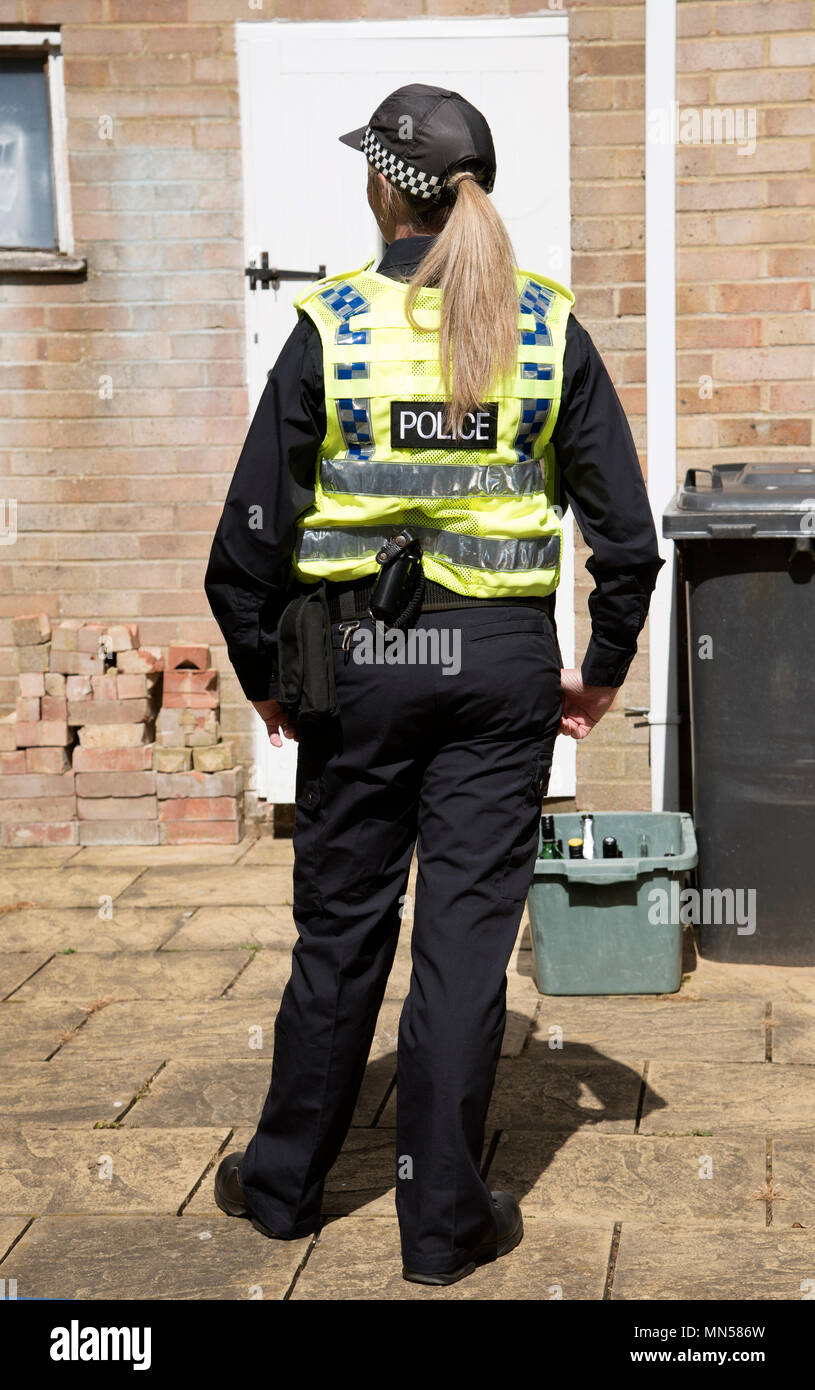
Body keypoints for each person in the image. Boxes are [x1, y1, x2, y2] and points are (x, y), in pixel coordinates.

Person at [205, 83, 663, 1286]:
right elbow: (628, 541)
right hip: (499, 672)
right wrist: (599, 671)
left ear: (382, 186)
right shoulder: (548, 328)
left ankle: (283, 1191)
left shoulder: (328, 325)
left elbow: (242, 546)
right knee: (463, 947)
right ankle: (443, 1225)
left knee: (340, 935)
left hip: (359, 669)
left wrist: (265, 677)